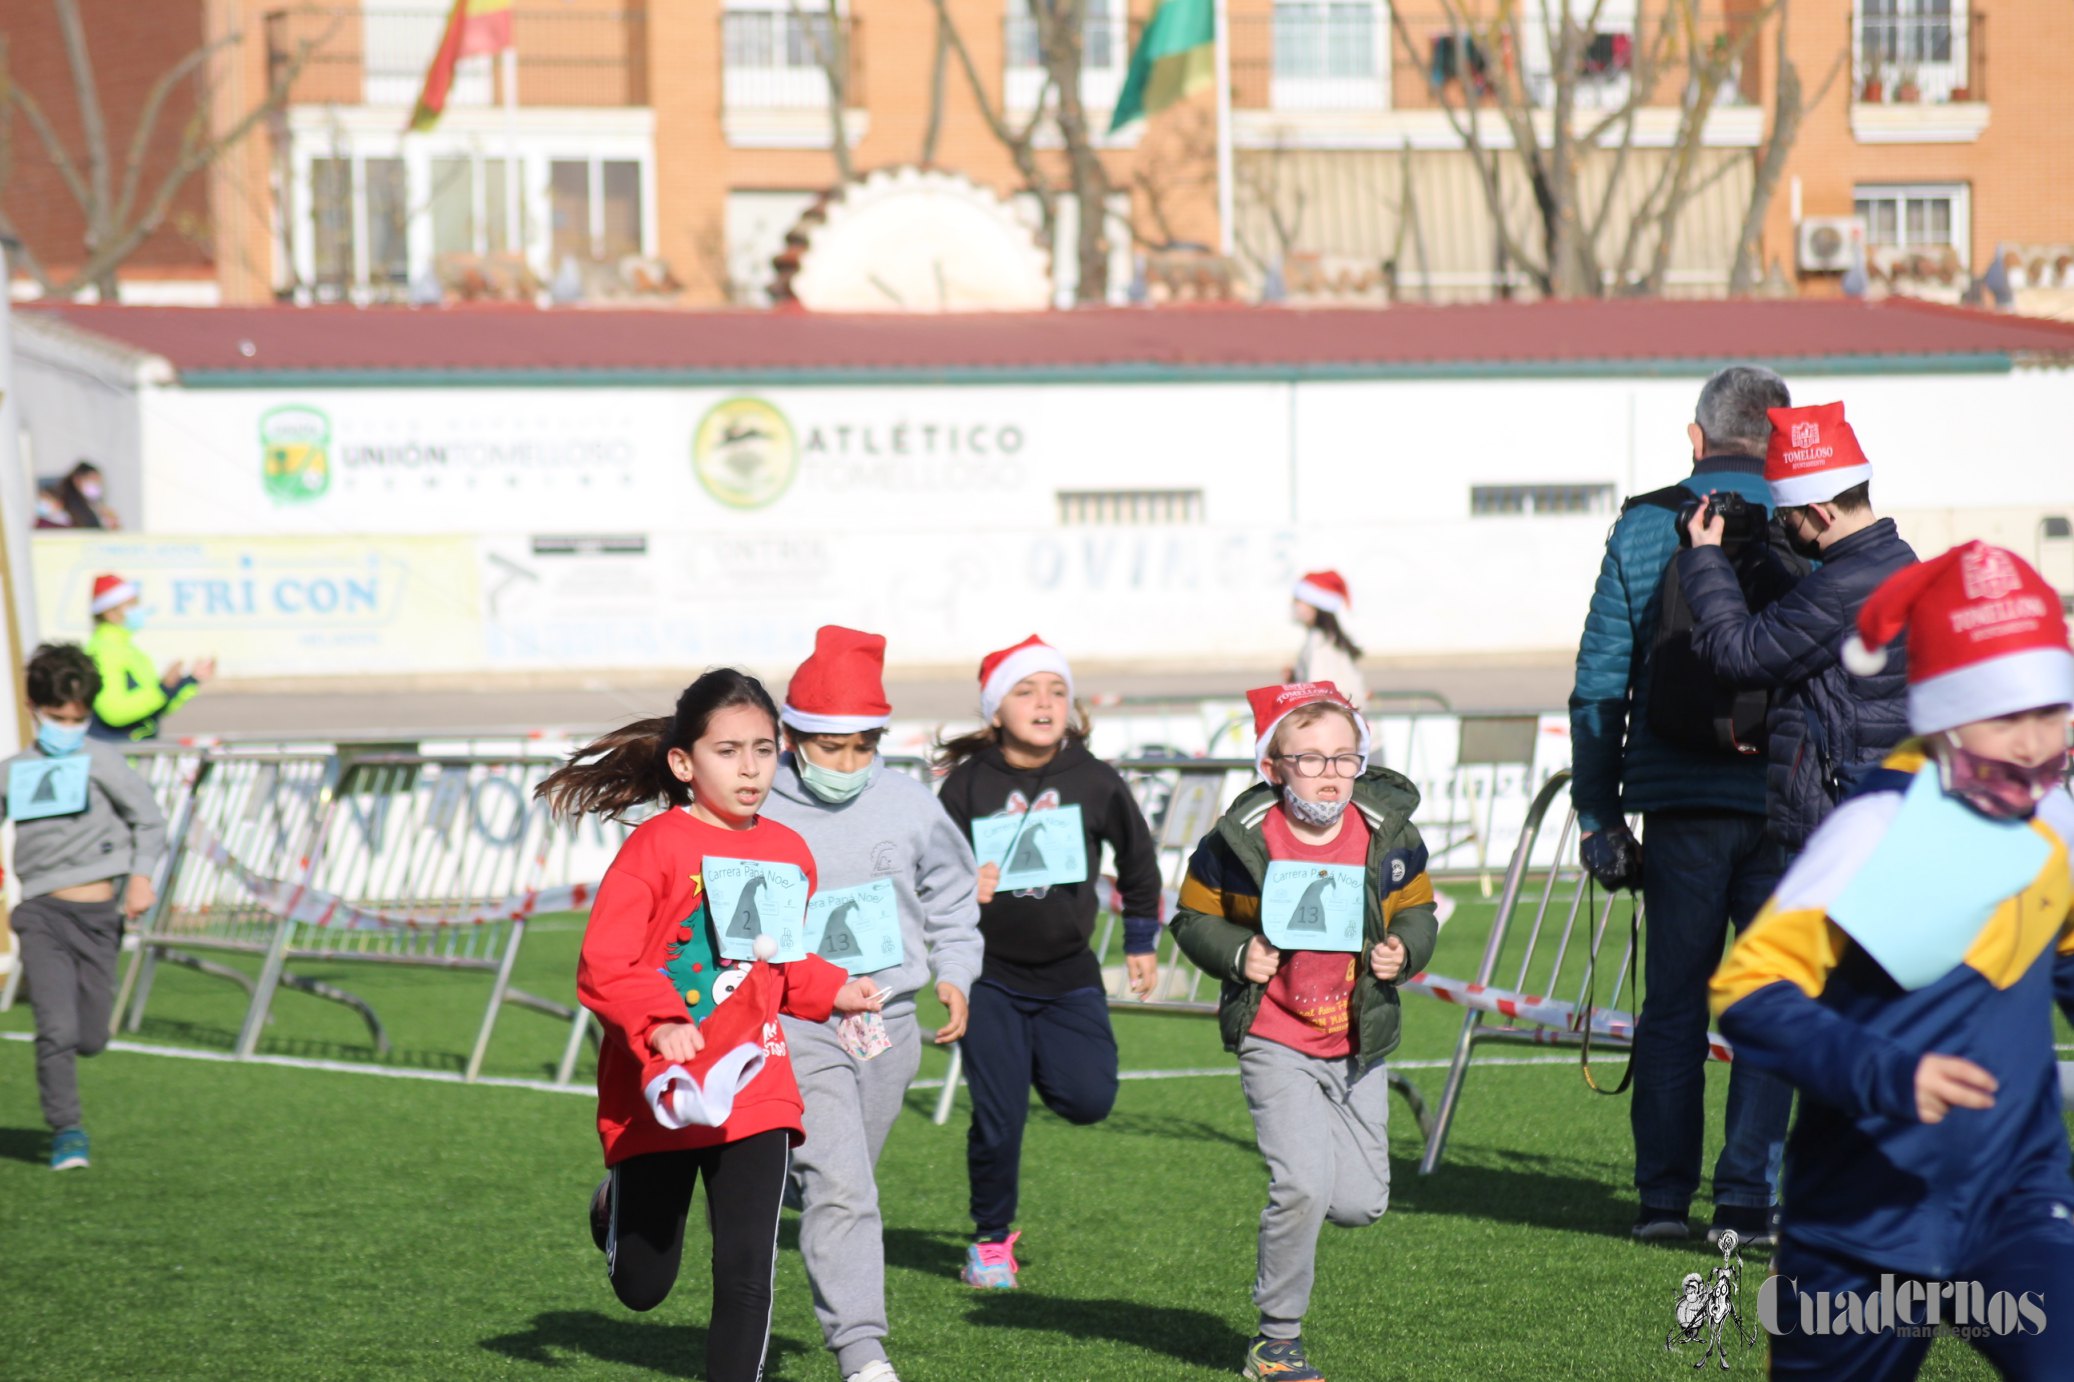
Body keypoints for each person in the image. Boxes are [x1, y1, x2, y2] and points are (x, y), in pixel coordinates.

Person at [1710, 541, 2074, 1381]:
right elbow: (1749, 988)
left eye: (2051, 712)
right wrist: (1888, 1075)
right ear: (1944, 717)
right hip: (1859, 1225)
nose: (2032, 743)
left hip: (2016, 1203)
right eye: (2004, 714)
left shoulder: (2053, 820)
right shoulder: (1875, 830)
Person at [536, 668, 885, 1382]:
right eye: (728, 751)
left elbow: (780, 966)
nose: (750, 767)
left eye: (763, 748)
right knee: (643, 1284)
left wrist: (837, 990)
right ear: (683, 763)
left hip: (756, 1086)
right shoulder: (656, 848)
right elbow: (604, 965)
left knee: (748, 1272)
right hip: (661, 1090)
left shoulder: (789, 851)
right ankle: (617, 1203)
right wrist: (661, 1024)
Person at [1568, 363, 1796, 1246]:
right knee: (1774, 1001)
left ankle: (1663, 1201)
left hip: (1677, 806)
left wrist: (1598, 815)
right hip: (1786, 801)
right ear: (1782, 439)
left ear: (1695, 440)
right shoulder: (1808, 521)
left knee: (1673, 1006)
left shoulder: (1642, 527)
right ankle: (1747, 1199)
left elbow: (1598, 686)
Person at [1169, 682, 1440, 1382]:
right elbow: (1192, 917)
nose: (1330, 773)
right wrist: (1238, 953)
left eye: (1344, 758)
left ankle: (1283, 1320)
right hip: (1275, 1034)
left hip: (1359, 1040)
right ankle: (1276, 1340)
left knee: (1361, 1202)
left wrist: (1405, 949)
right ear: (1272, 767)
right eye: (1310, 758)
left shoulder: (1389, 832)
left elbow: (1419, 910)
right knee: (1303, 1187)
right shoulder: (1237, 841)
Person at [760, 625, 984, 1382]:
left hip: (887, 1026)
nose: (849, 764)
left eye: (864, 746)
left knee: (831, 1177)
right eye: (832, 747)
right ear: (791, 735)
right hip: (792, 1022)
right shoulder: (754, 807)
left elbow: (951, 896)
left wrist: (955, 971)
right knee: (843, 1184)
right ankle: (863, 1354)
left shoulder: (910, 803)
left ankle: (699, 1171)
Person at [933, 634, 1163, 1291]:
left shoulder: (1096, 778)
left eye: (1056, 690)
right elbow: (926, 876)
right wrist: (959, 884)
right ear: (995, 710)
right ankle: (989, 1241)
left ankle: (1030, 1057)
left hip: (1069, 975)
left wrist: (1142, 941)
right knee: (1000, 1118)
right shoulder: (965, 786)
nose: (1044, 702)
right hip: (990, 977)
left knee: (1090, 1098)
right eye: (1026, 690)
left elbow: (1139, 863)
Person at [1679, 400, 1917, 852]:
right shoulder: (1896, 561)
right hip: (1881, 804)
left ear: (1821, 514)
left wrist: (1705, 558)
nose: (1783, 525)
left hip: (1836, 824)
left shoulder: (1837, 590)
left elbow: (1738, 655)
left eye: (1787, 517)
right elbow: (1808, 634)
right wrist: (1760, 554)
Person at [0, 643, 167, 1170]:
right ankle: (67, 1130)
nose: (67, 727)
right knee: (56, 1028)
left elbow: (150, 820)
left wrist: (140, 877)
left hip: (99, 918)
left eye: (78, 718)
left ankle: (77, 1076)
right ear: (33, 707)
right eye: (56, 717)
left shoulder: (103, 761)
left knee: (90, 1036)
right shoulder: (14, 771)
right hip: (42, 915)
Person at [82, 573, 213, 741]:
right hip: (118, 757)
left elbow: (153, 708)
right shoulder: (104, 650)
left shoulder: (129, 649)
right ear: (110, 613)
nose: (138, 610)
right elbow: (114, 711)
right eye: (131, 605)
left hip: (138, 754)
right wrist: (162, 689)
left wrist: (188, 681)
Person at [1288, 571, 1367, 708]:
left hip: (1333, 723)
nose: (1294, 606)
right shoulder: (1327, 639)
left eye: (1299, 600)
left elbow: (1317, 695)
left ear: (1316, 606)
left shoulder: (1321, 643)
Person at [34, 462, 120, 530]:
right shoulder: (57, 499)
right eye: (92, 480)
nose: (95, 486)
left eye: (98, 483)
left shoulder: (95, 508)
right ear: (77, 479)